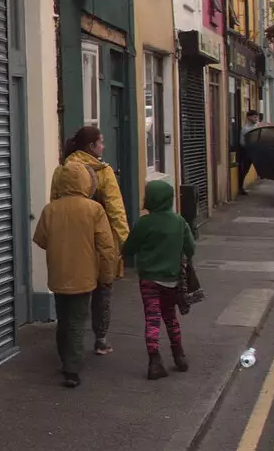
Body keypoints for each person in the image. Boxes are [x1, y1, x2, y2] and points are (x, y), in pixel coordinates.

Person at [34, 160, 120, 388]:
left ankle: (65, 358)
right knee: (77, 321)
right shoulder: (94, 209)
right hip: (85, 274)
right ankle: (72, 369)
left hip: (58, 273)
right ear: (86, 181)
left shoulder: (50, 209)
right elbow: (106, 247)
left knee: (63, 319)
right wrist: (107, 274)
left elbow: (41, 239)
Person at [52, 125, 129, 355]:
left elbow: (55, 204)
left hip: (71, 240)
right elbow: (116, 209)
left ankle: (69, 342)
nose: (104, 146)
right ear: (91, 146)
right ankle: (101, 339)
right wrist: (124, 240)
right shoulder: (103, 171)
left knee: (74, 293)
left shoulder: (63, 169)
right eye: (101, 142)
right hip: (100, 239)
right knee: (103, 290)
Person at [122, 180, 197, 380]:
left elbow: (129, 249)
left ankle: (155, 361)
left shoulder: (144, 223)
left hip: (149, 280)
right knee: (170, 317)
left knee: (152, 318)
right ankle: (179, 356)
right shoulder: (179, 222)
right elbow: (191, 248)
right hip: (171, 279)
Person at [236, 108, 262, 194]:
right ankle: (240, 187)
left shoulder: (259, 126)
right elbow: (242, 143)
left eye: (257, 117)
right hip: (247, 152)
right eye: (254, 117)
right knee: (244, 169)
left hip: (258, 151)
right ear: (248, 118)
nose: (256, 119)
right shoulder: (245, 129)